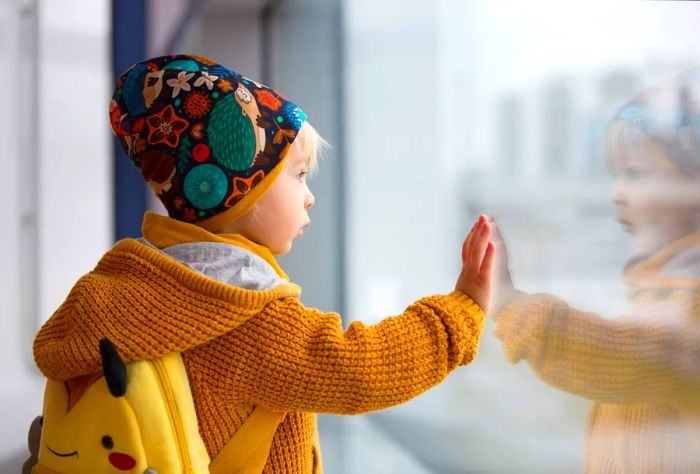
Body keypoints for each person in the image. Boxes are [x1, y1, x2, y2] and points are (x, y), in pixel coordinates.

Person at [31, 54, 495, 473]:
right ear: (242, 193)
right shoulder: (245, 317)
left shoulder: (121, 289)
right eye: (297, 175)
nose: (310, 196)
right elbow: (361, 368)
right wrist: (461, 312)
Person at [491, 76, 700, 473]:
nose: (615, 194)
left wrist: (511, 305)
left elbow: (620, 352)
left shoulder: (692, 304)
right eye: (616, 175)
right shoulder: (662, 288)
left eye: (635, 174)